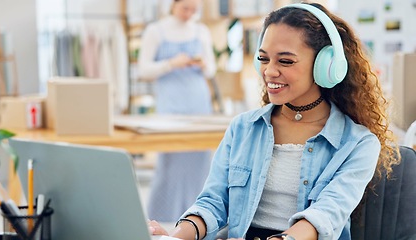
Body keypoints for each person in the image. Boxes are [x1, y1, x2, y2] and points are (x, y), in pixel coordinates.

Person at [147, 2, 401, 240]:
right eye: (264, 58)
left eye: (285, 61)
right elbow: (213, 203)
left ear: (326, 65)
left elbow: (324, 216)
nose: (269, 71)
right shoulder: (243, 128)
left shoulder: (358, 143)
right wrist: (177, 235)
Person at [137, 0, 217, 222]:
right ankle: (160, 220)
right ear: (173, 4)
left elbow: (211, 69)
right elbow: (143, 70)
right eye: (185, 8)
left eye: (194, 9)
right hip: (170, 106)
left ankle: (199, 219)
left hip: (199, 104)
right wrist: (171, 64)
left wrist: (202, 65)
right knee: (169, 164)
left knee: (200, 164)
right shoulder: (156, 31)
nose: (189, 14)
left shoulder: (201, 31)